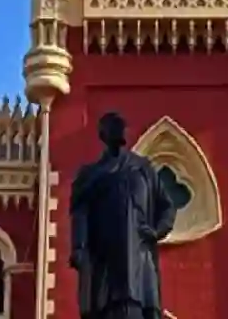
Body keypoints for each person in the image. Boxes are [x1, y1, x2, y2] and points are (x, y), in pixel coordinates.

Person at [69, 112, 175, 319]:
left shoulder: (143, 169)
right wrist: (79, 248)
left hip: (140, 264)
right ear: (103, 134)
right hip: (105, 264)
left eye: (121, 125)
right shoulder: (91, 174)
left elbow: (167, 207)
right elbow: (80, 212)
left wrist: (156, 231)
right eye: (113, 126)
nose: (119, 130)